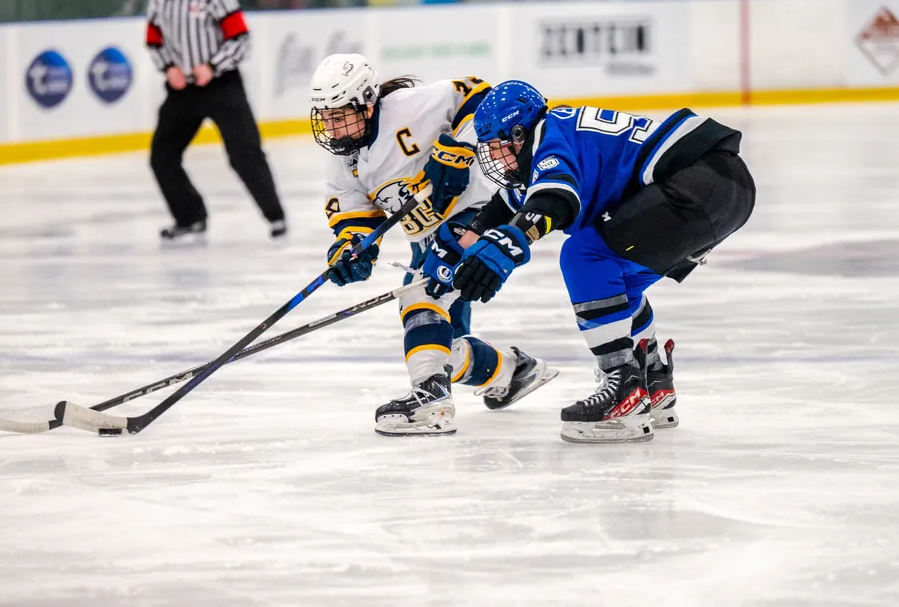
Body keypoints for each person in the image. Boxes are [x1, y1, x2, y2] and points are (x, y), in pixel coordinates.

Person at [452, 81, 755, 444]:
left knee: (584, 255)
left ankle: (622, 389)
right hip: (726, 190)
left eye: (498, 147)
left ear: (519, 132)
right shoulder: (550, 137)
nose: (495, 158)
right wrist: (454, 255)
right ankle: (652, 380)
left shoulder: (549, 136)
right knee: (617, 281)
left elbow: (552, 200)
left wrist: (507, 245)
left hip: (697, 182)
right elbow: (500, 212)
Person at [308, 54, 559, 436]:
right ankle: (513, 372)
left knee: (420, 295)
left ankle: (431, 399)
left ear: (368, 103)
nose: (332, 127)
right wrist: (351, 249)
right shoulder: (344, 163)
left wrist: (456, 151)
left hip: (479, 213)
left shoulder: (408, 108)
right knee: (442, 342)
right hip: (425, 238)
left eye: (339, 115)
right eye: (325, 117)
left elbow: (478, 94)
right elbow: (354, 219)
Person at [146, 0, 287, 243]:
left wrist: (212, 65)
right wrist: (168, 67)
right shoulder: (159, 2)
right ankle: (190, 217)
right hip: (182, 91)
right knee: (162, 156)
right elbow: (154, 42)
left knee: (244, 152)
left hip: (223, 86)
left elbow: (240, 40)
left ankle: (275, 216)